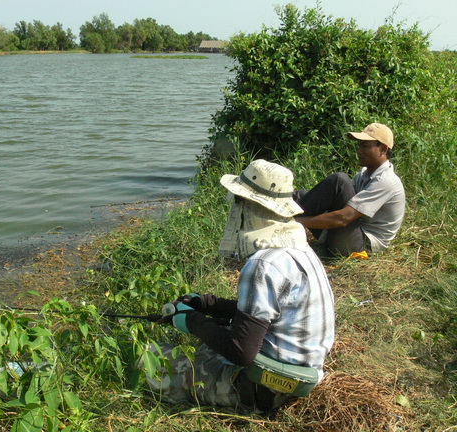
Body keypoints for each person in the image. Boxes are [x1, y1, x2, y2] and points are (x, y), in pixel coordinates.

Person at [143, 160, 335, 416]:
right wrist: (208, 304)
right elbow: (269, 313)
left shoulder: (263, 264)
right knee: (204, 346)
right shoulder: (300, 251)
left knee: (149, 359)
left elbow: (241, 352)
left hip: (265, 387)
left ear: (249, 206)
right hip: (299, 376)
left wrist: (192, 321)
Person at [293, 123, 405, 257]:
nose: (359, 151)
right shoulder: (364, 174)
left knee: (339, 180)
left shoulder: (386, 181)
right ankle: (280, 218)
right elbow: (339, 200)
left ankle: (282, 224)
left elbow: (343, 218)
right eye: (359, 146)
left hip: (362, 244)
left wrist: (296, 223)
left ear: (383, 149)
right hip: (351, 232)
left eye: (365, 146)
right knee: (301, 195)